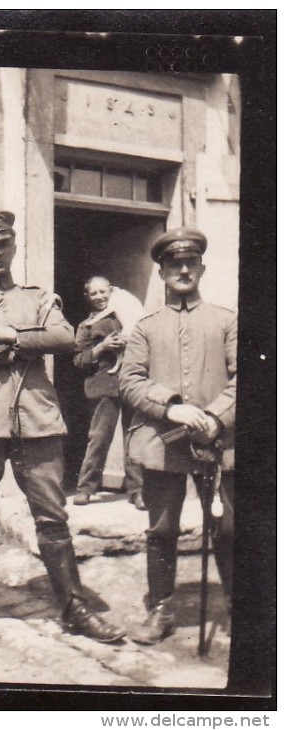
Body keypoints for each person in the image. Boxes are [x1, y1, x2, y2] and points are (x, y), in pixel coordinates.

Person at [0, 210, 125, 650]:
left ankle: (75, 608)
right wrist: (16, 349)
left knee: (53, 517)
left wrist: (7, 334)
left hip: (37, 421)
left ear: (14, 247)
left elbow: (65, 339)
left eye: (4, 244)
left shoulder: (40, 298)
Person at [119, 228, 236, 644]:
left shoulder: (226, 320)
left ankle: (241, 608)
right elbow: (129, 382)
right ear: (163, 271)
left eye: (190, 263)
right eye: (174, 264)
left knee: (230, 528)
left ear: (201, 268)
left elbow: (250, 379)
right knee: (162, 530)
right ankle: (163, 610)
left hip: (220, 443)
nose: (183, 270)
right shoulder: (145, 328)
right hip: (162, 444)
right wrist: (170, 406)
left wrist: (216, 417)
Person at [72, 276, 145, 509]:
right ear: (88, 297)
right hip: (103, 388)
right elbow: (79, 361)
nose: (99, 297)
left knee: (133, 438)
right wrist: (101, 348)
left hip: (130, 384)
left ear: (110, 291)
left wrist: (127, 343)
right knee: (99, 438)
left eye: (103, 292)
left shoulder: (125, 317)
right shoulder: (86, 326)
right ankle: (85, 488)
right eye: (94, 294)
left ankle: (138, 491)